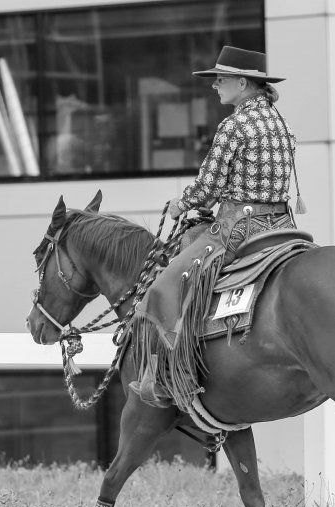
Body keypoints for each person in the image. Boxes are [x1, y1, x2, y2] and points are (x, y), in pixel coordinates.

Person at [130, 45, 305, 409]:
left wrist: (183, 203)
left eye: (221, 80)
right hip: (281, 225)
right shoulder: (280, 122)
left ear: (243, 83)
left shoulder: (234, 124)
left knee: (164, 286)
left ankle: (171, 377)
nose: (215, 86)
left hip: (239, 227)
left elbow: (209, 186)